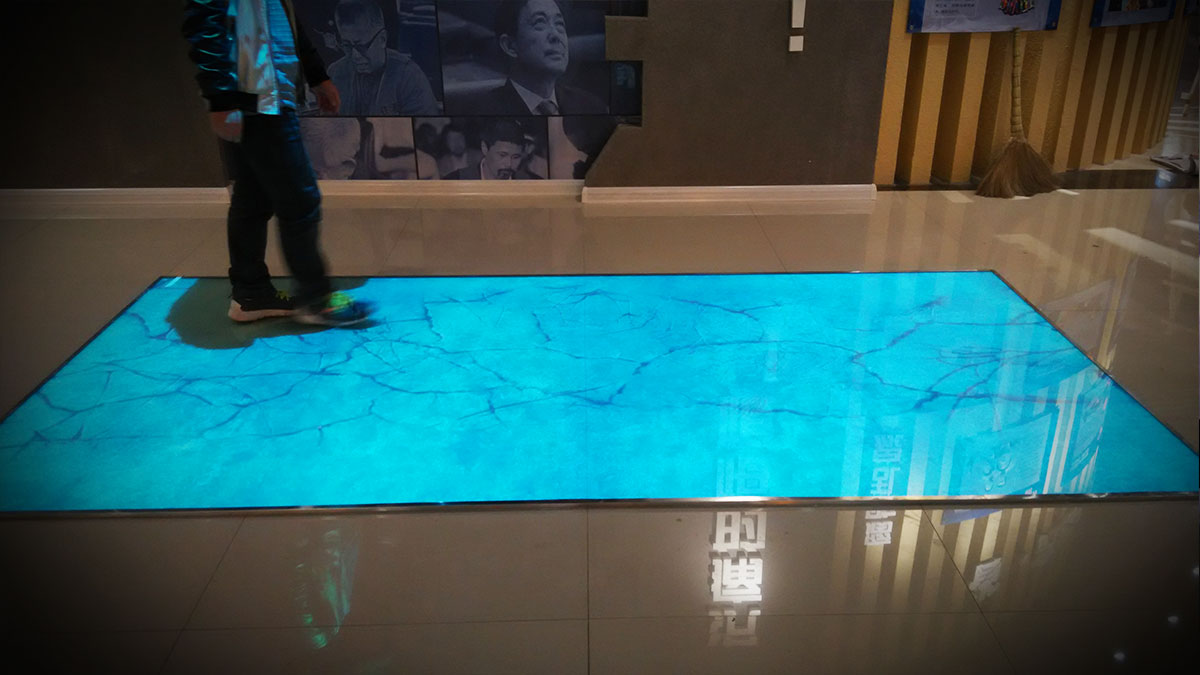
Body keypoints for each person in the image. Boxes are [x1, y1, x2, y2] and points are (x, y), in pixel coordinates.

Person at [183, 0, 372, 326]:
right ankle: (316, 300)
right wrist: (220, 98)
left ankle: (251, 293)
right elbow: (205, 21)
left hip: (267, 91)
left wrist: (316, 75)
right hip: (256, 94)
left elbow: (284, 16)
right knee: (300, 200)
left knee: (253, 197)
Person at [464, 0, 607, 115]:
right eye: (540, 23)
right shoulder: (482, 113)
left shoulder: (591, 107)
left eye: (559, 24)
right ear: (510, 46)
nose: (555, 35)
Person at [327, 0, 440, 116]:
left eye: (362, 46)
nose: (355, 56)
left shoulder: (410, 77)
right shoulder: (334, 74)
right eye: (347, 45)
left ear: (382, 39)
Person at [443, 120, 542, 179]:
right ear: (485, 148)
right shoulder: (454, 181)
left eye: (516, 157)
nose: (509, 164)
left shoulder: (534, 184)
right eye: (502, 155)